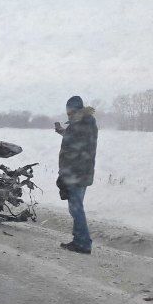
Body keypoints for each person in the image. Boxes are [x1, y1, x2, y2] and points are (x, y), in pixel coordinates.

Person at [55, 95, 98, 254]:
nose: (67, 113)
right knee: (76, 208)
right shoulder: (86, 123)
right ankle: (79, 240)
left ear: (74, 109)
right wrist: (63, 131)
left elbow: (73, 149)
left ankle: (83, 243)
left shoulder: (79, 124)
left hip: (75, 173)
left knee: (76, 209)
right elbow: (77, 140)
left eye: (69, 110)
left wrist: (64, 174)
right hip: (83, 172)